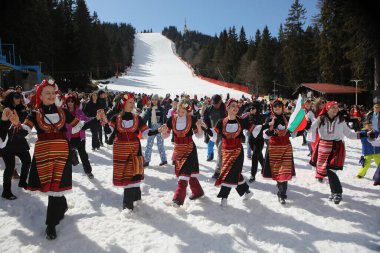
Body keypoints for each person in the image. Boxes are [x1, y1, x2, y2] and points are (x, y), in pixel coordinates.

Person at [6, 80, 104, 240]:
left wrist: (96, 119)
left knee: (55, 188)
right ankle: (62, 205)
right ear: (40, 96)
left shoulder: (63, 112)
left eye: (53, 93)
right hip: (44, 155)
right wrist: (17, 124)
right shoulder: (35, 114)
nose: (51, 95)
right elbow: (25, 131)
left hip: (61, 154)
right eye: (47, 93)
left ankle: (50, 225)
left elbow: (79, 126)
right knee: (53, 187)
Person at [104, 93, 166, 211]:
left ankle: (128, 205)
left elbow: (145, 133)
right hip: (121, 152)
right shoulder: (115, 118)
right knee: (128, 175)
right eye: (130, 102)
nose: (133, 104)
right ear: (123, 104)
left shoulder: (137, 118)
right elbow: (108, 132)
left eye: (133, 102)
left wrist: (158, 130)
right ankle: (135, 197)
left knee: (134, 174)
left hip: (134, 150)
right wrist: (103, 121)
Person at [308, 101, 367, 204]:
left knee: (331, 170)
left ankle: (337, 193)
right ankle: (334, 192)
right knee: (327, 170)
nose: (336, 109)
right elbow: (309, 129)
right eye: (333, 107)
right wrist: (306, 123)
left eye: (337, 107)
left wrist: (363, 134)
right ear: (327, 108)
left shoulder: (341, 120)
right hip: (323, 147)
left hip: (336, 147)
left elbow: (349, 134)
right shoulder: (320, 119)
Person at [205, 98, 259, 207]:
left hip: (238, 152)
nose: (235, 108)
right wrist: (204, 127)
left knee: (229, 173)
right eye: (233, 106)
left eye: (236, 106)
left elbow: (254, 129)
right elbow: (214, 134)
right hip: (225, 151)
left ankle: (224, 198)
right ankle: (247, 192)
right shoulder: (222, 121)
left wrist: (268, 126)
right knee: (232, 174)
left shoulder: (241, 120)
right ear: (228, 108)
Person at [163, 99, 205, 206]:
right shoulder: (171, 119)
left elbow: (199, 136)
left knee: (184, 176)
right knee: (189, 175)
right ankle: (198, 192)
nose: (180, 113)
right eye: (178, 110)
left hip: (189, 149)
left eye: (183, 111)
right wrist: (163, 131)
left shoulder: (192, 119)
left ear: (187, 111)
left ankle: (177, 200)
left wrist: (199, 127)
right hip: (178, 150)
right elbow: (166, 135)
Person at [262, 99, 296, 204]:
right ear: (272, 108)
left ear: (282, 108)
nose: (277, 108)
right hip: (274, 148)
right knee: (277, 171)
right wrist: (271, 128)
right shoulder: (269, 119)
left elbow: (292, 133)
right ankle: (280, 186)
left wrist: (295, 129)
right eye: (275, 106)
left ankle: (282, 194)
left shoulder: (287, 118)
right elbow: (265, 135)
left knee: (284, 171)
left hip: (286, 147)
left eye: (279, 106)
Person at [0, 90, 31, 200]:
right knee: (10, 167)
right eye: (16, 96)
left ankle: (22, 182)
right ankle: (6, 191)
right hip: (7, 142)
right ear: (10, 97)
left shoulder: (22, 108)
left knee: (27, 161)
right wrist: (4, 120)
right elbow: (2, 128)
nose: (19, 98)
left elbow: (25, 123)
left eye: (20, 96)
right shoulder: (4, 109)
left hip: (19, 140)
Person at [64, 94, 94, 179]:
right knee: (67, 157)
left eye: (72, 101)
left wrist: (96, 118)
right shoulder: (64, 112)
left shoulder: (79, 111)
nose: (70, 103)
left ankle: (88, 171)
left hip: (80, 137)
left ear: (74, 102)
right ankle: (65, 175)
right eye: (68, 101)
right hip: (69, 138)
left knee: (83, 155)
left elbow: (86, 119)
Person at [203, 95, 226, 178]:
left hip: (224, 133)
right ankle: (225, 167)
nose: (215, 105)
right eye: (213, 103)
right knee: (221, 151)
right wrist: (207, 129)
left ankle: (218, 171)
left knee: (220, 150)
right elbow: (205, 119)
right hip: (214, 132)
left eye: (217, 103)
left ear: (221, 101)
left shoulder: (225, 108)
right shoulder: (209, 108)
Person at [141, 94, 167, 166]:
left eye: (156, 100)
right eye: (153, 99)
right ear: (151, 100)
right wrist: (140, 122)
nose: (154, 101)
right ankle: (146, 160)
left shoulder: (161, 109)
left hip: (160, 128)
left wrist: (164, 126)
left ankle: (164, 160)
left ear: (158, 100)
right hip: (152, 128)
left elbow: (164, 118)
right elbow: (145, 118)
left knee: (160, 144)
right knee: (149, 144)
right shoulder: (149, 109)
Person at [246, 102, 265, 183]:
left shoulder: (260, 117)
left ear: (257, 109)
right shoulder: (248, 116)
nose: (251, 110)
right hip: (251, 140)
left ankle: (253, 175)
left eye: (253, 108)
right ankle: (265, 168)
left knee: (254, 157)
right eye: (250, 108)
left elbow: (258, 123)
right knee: (259, 155)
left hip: (259, 140)